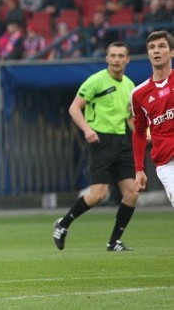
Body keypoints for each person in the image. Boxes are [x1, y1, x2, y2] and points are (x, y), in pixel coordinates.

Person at [52, 41, 138, 252]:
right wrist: (87, 130)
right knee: (99, 194)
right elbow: (74, 108)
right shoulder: (96, 81)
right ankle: (63, 224)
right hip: (101, 141)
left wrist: (143, 135)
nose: (117, 59)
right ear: (107, 58)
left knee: (132, 192)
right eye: (113, 55)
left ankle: (113, 241)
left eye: (121, 56)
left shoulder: (130, 86)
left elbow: (129, 118)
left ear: (128, 60)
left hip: (122, 142)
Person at [132, 31, 174, 207]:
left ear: (172, 52)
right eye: (152, 47)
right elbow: (139, 132)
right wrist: (139, 169)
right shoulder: (138, 94)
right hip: (167, 164)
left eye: (162, 46)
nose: (156, 51)